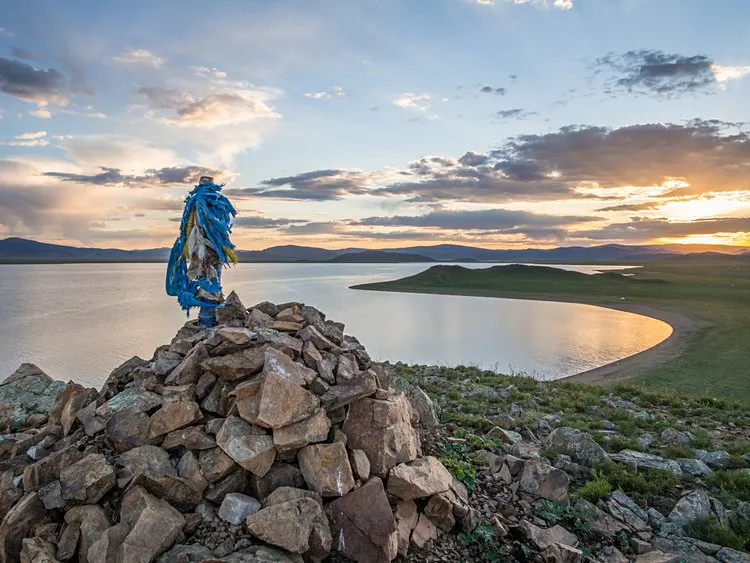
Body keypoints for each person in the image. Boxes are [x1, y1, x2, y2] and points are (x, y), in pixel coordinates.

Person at [166, 175, 238, 327]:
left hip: (202, 247)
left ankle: (207, 318)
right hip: (211, 248)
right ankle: (208, 317)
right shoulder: (215, 200)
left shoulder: (197, 201)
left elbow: (187, 226)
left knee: (207, 277)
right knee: (211, 277)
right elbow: (221, 225)